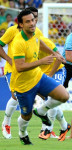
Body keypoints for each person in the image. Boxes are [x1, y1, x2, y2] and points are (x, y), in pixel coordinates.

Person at [10, 10, 69, 145]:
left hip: (38, 77)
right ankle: (23, 133)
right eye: (28, 21)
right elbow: (19, 67)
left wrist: (54, 53)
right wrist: (41, 62)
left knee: (64, 96)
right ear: (21, 24)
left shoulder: (35, 32)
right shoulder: (18, 42)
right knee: (26, 116)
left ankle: (41, 111)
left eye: (33, 20)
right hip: (23, 85)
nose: (32, 23)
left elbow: (40, 43)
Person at [0, 6, 43, 139]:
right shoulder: (12, 30)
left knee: (44, 95)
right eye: (31, 18)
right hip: (12, 70)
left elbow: (40, 47)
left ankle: (47, 128)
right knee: (17, 96)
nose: (33, 21)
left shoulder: (37, 32)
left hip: (29, 71)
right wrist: (9, 59)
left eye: (35, 18)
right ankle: (6, 123)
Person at [37, 36, 71, 141]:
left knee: (53, 98)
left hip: (57, 71)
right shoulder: (25, 45)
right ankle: (65, 126)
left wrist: (49, 77)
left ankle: (47, 128)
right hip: (42, 74)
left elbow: (60, 59)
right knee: (49, 102)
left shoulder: (44, 42)